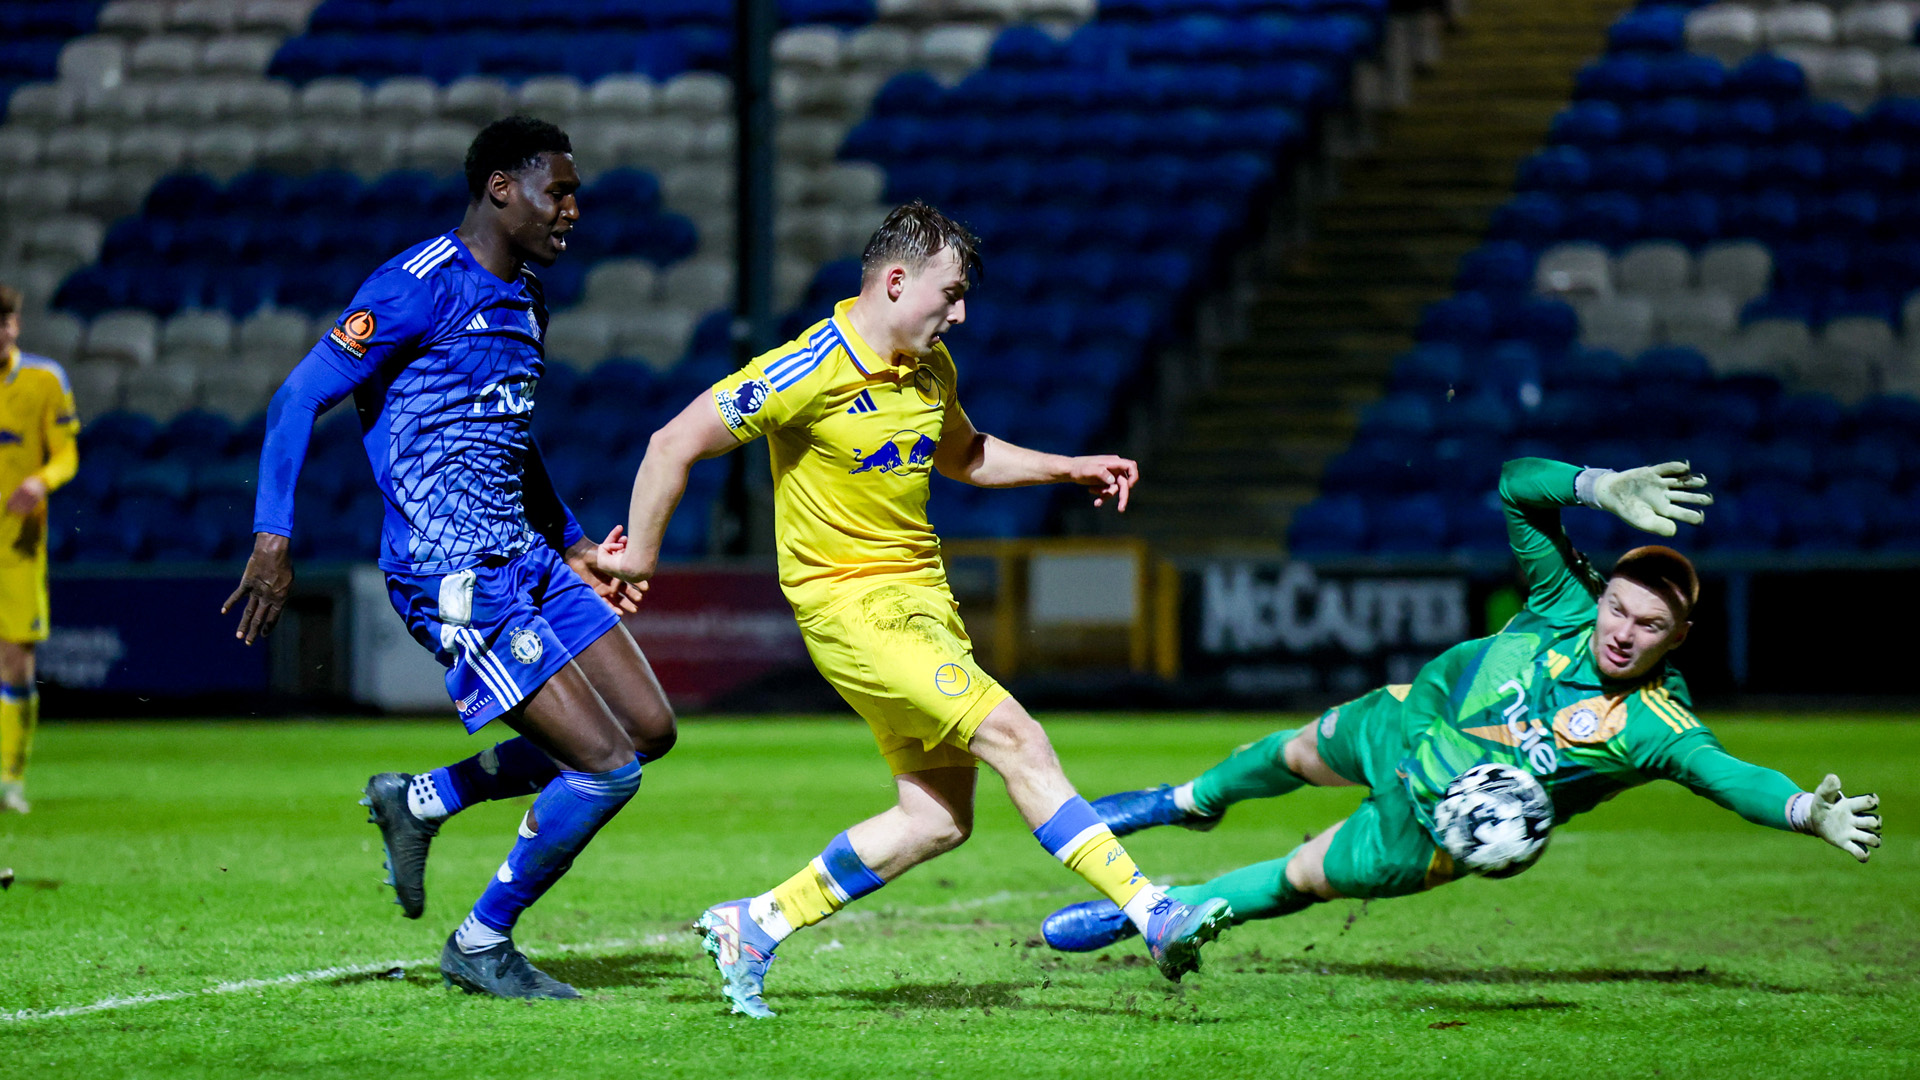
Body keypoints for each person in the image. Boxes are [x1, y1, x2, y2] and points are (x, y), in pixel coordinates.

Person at [600, 201, 1230, 1018]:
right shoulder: (804, 369)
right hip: (853, 612)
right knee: (1017, 737)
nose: (960, 313)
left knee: (935, 818)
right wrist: (641, 559)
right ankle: (1153, 911)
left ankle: (754, 923)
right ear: (896, 281)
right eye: (952, 293)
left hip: (922, 606)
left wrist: (1065, 467)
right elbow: (671, 443)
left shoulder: (931, 368)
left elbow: (966, 454)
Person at [1042, 457, 1884, 951]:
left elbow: (1724, 774)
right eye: (1619, 608)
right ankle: (1183, 803)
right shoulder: (1566, 601)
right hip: (1415, 720)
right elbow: (1517, 487)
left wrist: (1806, 809)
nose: (1622, 631)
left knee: (1301, 876)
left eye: (1649, 624)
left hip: (1442, 823)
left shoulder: (1655, 725)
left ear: (1678, 639)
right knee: (1295, 752)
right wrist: (1596, 485)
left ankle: (1163, 915)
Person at [223, 117, 676, 1000]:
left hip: (529, 557)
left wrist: (577, 543)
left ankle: (422, 799)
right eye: (560, 191)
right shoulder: (412, 286)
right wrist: (272, 538)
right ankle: (480, 943)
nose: (573, 210)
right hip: (454, 575)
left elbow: (512, 435)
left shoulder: (528, 299)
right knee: (605, 767)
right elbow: (295, 399)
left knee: (650, 731)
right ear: (503, 188)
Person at [0, 285, 79, 815]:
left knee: (15, 663)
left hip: (17, 549)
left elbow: (68, 453)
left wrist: (42, 482)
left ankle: (10, 778)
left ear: (16, 325)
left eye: (6, 321)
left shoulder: (44, 380)